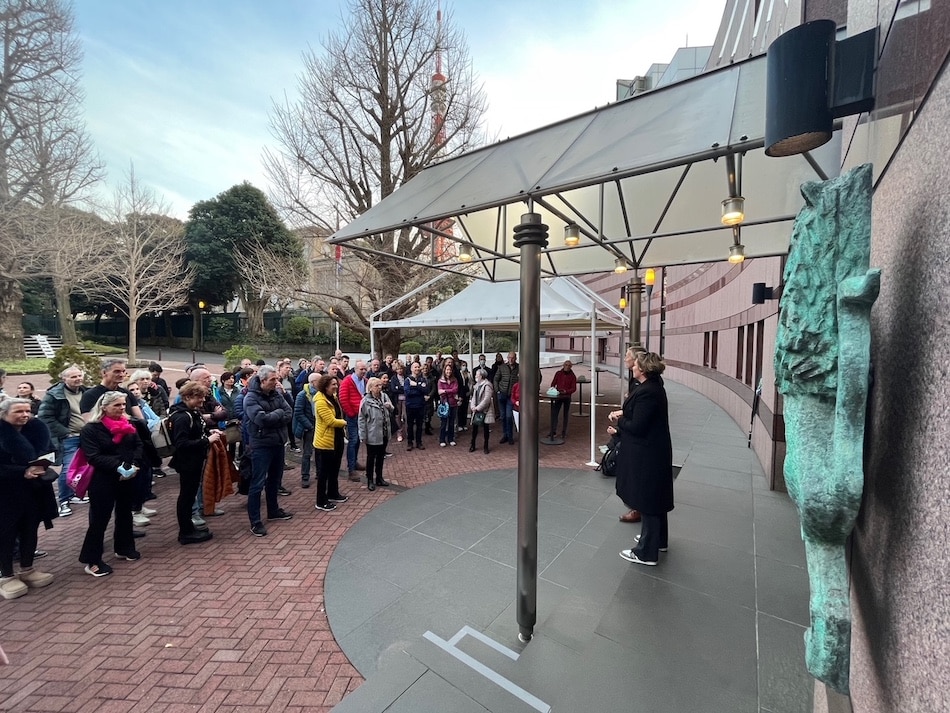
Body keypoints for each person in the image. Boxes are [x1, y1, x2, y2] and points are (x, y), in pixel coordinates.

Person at [608, 350, 674, 566]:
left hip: (646, 454)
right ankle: (657, 540)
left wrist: (620, 421)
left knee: (648, 500)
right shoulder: (653, 388)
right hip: (653, 451)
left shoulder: (647, 392)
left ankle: (646, 551)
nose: (632, 366)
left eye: (635, 364)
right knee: (655, 498)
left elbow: (637, 426)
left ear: (643, 369)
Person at [78, 391, 144, 577]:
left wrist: (134, 465)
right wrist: (120, 467)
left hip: (129, 475)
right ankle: (92, 560)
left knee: (125, 513)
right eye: (117, 405)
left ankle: (124, 547)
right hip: (103, 479)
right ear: (104, 407)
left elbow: (138, 446)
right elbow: (93, 456)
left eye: (123, 404)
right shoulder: (91, 429)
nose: (122, 408)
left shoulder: (129, 424)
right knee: (100, 519)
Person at [0, 398, 56, 600]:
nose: (25, 415)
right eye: (18, 411)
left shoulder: (37, 429)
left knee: (30, 528)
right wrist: (21, 471)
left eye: (27, 411)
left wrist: (42, 465)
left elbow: (50, 451)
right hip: (5, 493)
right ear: (4, 413)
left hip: (34, 490)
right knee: (5, 534)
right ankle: (5, 575)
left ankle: (27, 568)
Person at [242, 365, 294, 537]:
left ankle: (273, 511)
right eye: (273, 380)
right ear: (263, 380)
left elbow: (289, 412)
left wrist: (275, 415)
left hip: (278, 443)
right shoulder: (250, 398)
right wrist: (278, 414)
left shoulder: (276, 394)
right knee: (257, 484)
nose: (276, 382)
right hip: (261, 446)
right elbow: (261, 419)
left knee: (274, 479)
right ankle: (255, 522)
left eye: (277, 379)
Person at [167, 382, 217, 545]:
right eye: (199, 398)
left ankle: (188, 528)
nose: (203, 401)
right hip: (187, 462)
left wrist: (209, 432)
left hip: (193, 460)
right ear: (187, 397)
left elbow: (195, 432)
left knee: (189, 496)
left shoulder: (190, 412)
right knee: (186, 496)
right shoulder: (182, 417)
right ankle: (186, 532)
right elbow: (181, 443)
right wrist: (206, 441)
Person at [37, 364, 88, 516]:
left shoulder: (87, 392)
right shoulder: (54, 395)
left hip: (87, 436)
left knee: (84, 468)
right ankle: (64, 500)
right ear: (64, 378)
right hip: (69, 438)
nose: (78, 379)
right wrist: (66, 433)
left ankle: (75, 495)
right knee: (68, 469)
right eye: (73, 376)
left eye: (79, 375)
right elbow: (45, 417)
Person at [313, 375, 348, 512]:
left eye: (336, 384)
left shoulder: (333, 397)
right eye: (333, 384)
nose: (336, 386)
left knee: (334, 469)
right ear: (325, 386)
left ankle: (333, 493)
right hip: (325, 442)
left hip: (337, 438)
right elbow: (331, 421)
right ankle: (321, 501)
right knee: (324, 473)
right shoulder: (320, 401)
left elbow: (338, 414)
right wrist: (345, 423)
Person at [358, 377, 391, 491]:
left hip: (384, 432)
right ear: (370, 388)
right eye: (377, 386)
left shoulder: (384, 396)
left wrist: (389, 406)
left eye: (380, 385)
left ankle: (379, 478)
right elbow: (361, 419)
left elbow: (392, 408)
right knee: (371, 457)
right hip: (372, 433)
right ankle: (370, 480)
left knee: (381, 456)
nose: (379, 388)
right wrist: (363, 435)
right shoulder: (366, 401)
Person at [293, 372, 320, 489]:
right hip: (309, 428)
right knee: (307, 453)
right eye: (320, 381)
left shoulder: (321, 393)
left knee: (319, 451)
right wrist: (309, 426)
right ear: (313, 382)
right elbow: (298, 413)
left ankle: (320, 472)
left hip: (319, 426)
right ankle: (305, 477)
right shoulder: (302, 395)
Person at [547, 360, 577, 440]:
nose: (567, 367)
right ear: (563, 365)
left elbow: (574, 388)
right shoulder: (558, 373)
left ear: (571, 367)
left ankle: (564, 431)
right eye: (566, 365)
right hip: (558, 396)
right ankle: (553, 431)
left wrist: (566, 391)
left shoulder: (572, 376)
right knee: (555, 413)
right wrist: (554, 389)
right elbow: (553, 383)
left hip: (567, 397)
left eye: (569, 365)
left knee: (565, 415)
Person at [493, 351, 519, 445]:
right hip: (502, 394)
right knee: (503, 416)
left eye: (512, 358)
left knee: (509, 416)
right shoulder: (502, 367)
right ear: (507, 358)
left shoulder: (519, 368)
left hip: (511, 396)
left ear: (515, 358)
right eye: (509, 357)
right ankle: (505, 435)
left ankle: (510, 435)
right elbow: (496, 379)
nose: (511, 359)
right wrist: (497, 390)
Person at [404, 361, 430, 451]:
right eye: (415, 367)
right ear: (411, 369)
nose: (417, 369)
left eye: (418, 367)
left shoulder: (422, 379)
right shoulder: (407, 380)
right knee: (410, 425)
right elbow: (408, 393)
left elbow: (426, 390)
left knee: (419, 425)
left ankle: (419, 442)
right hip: (410, 406)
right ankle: (410, 442)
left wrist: (415, 386)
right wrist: (419, 390)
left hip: (420, 406)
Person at [468, 369, 495, 454]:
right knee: (474, 429)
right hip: (476, 410)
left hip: (485, 410)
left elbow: (487, 399)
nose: (476, 376)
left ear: (482, 376)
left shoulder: (487, 385)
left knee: (486, 429)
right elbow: (473, 398)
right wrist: (473, 406)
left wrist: (478, 408)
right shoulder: (476, 385)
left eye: (477, 375)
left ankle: (486, 446)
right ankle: (472, 444)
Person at [437, 362, 460, 447]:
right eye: (447, 370)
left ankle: (451, 439)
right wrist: (449, 391)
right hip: (444, 404)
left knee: (451, 422)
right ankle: (442, 439)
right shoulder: (440, 381)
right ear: (444, 370)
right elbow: (440, 392)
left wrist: (446, 391)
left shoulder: (455, 380)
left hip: (453, 403)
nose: (448, 371)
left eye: (450, 370)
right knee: (443, 423)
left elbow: (455, 390)